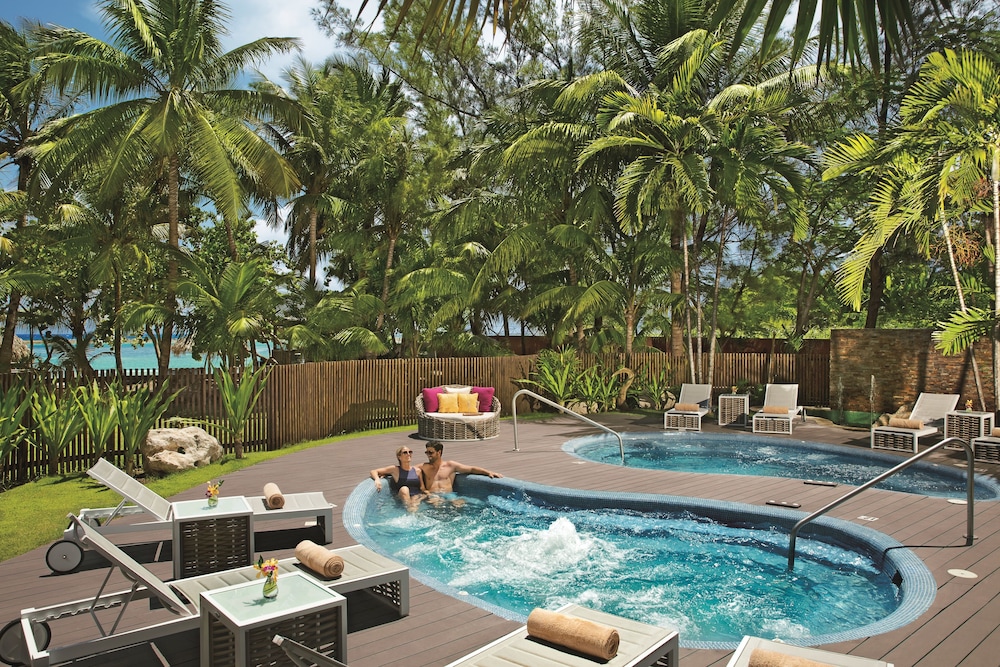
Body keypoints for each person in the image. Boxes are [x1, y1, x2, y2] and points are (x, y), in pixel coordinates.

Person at [420, 441, 502, 495]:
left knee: (460, 504)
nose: (428, 455)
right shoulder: (424, 467)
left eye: (430, 452)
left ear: (439, 452)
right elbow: (412, 469)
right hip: (432, 496)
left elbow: (471, 469)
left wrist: (488, 472)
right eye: (426, 452)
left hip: (448, 496)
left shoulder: (450, 465)